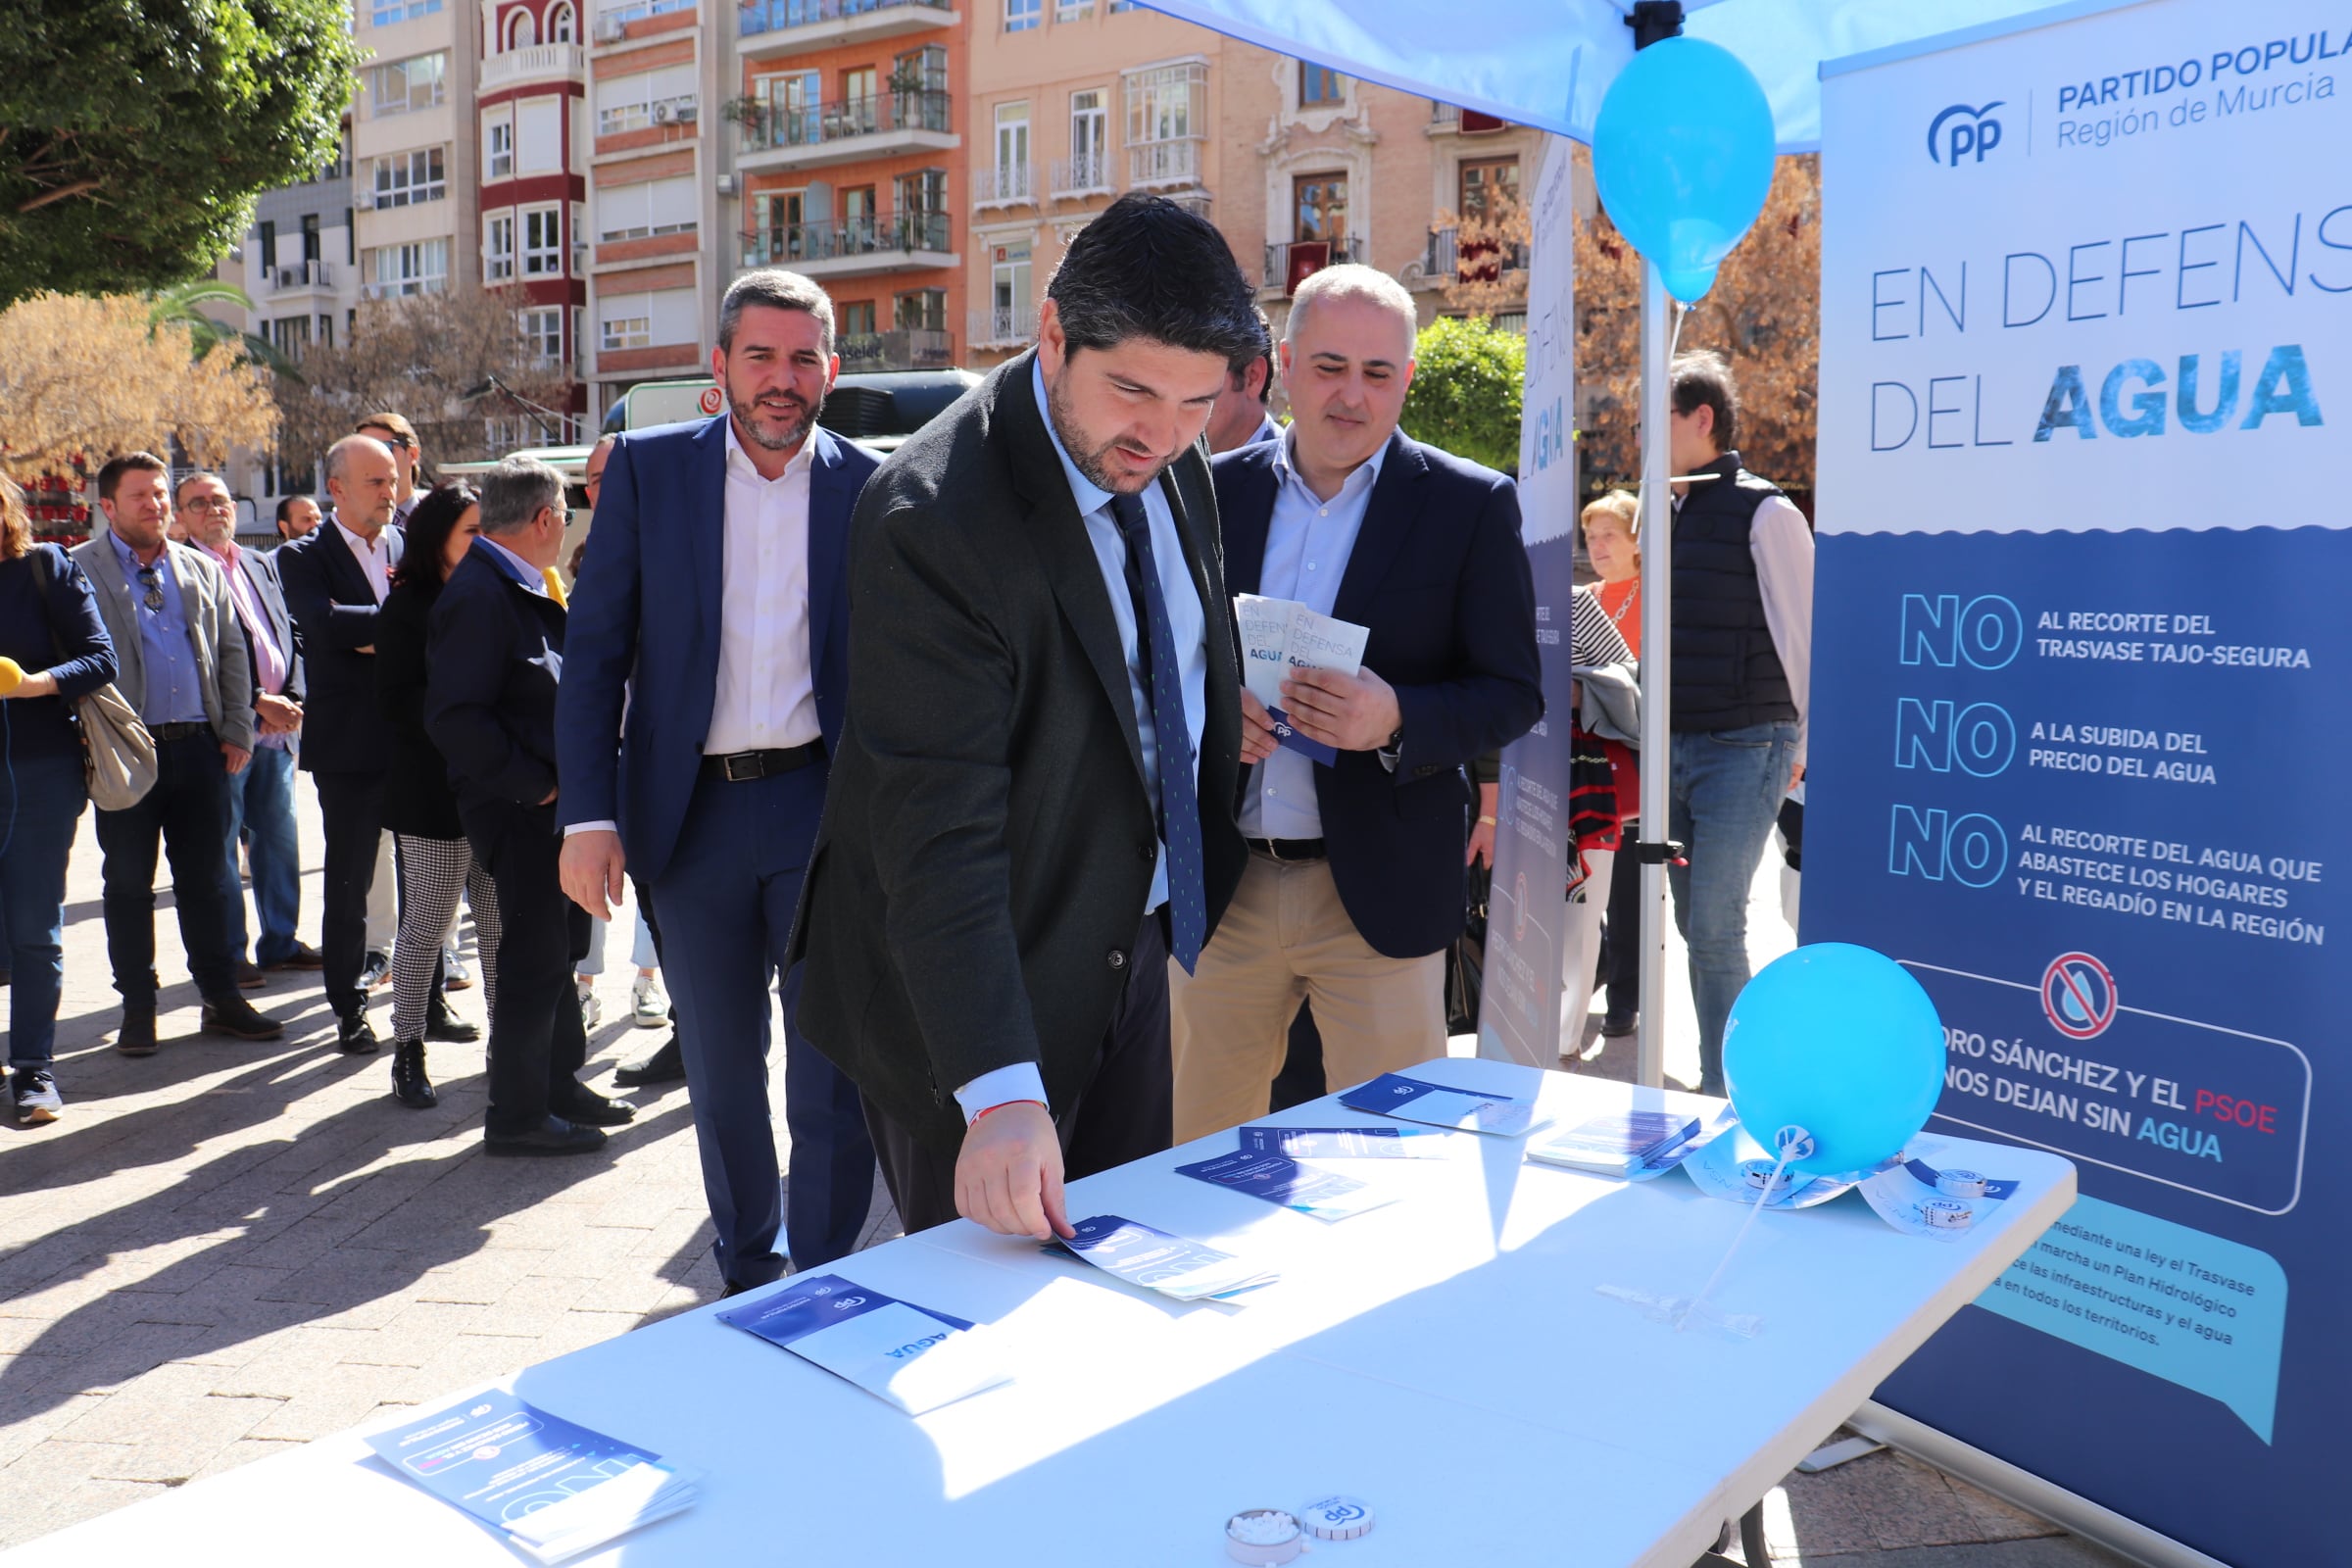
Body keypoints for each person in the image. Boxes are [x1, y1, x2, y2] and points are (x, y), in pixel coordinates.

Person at [789, 193, 1258, 1241]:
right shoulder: (934, 519)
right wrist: (1000, 1093)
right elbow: (935, 826)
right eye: (1133, 391)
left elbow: (1154, 654)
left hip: (1132, 944)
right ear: (1052, 332)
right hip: (967, 986)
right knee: (990, 1330)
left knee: (1118, 1288)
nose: (1164, 434)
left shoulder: (1173, 452)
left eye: (1197, 405)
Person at [1169, 263, 1543, 1143]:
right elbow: (1159, 659)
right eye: (1331, 367)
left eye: (1378, 373)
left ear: (1407, 378)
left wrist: (1399, 717)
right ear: (1283, 364)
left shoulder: (1470, 506)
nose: (1352, 395)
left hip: (1377, 892)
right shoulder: (1209, 492)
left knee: (1398, 1159)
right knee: (1194, 1147)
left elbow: (1512, 694)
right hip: (1226, 886)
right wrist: (1215, 707)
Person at [558, 269, 878, 1285]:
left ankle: (827, 1277)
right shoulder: (653, 474)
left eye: (801, 359)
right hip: (687, 819)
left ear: (830, 368)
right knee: (724, 1070)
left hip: (823, 815)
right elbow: (595, 651)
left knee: (833, 1067)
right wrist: (586, 816)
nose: (781, 380)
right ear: (721, 366)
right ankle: (748, 1265)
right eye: (761, 356)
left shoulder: (874, 488)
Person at [431, 458, 631, 1155]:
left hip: (550, 806)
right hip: (522, 810)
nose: (567, 526)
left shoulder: (510, 582)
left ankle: (557, 1084)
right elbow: (455, 719)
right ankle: (517, 1113)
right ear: (544, 518)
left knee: (562, 947)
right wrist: (539, 786)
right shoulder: (481, 594)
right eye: (565, 514)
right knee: (535, 955)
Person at [73, 454, 284, 1053]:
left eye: (161, 494)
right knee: (129, 884)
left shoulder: (199, 568)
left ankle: (220, 997)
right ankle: (138, 1007)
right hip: (125, 754)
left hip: (199, 750)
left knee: (211, 880)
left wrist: (239, 729)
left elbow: (233, 653)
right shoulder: (77, 570)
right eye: (140, 496)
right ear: (108, 507)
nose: (155, 505)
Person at [1663, 349, 1812, 1096]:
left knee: (1715, 928)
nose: (1638, 436)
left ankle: (1729, 1092)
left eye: (1653, 418)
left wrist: (1802, 745)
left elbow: (1804, 632)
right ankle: (1734, 1072)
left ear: (1702, 419)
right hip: (1677, 748)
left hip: (1747, 745)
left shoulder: (1767, 510)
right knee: (1696, 925)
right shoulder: (1664, 510)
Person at [277, 434, 406, 1054]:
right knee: (350, 882)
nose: (392, 492)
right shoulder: (304, 555)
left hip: (415, 739)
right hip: (350, 746)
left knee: (427, 876)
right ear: (337, 488)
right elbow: (325, 629)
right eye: (377, 482)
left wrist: (378, 633)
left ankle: (423, 999)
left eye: (394, 480)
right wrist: (411, 628)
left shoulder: (406, 542)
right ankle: (349, 1008)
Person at [0, 472, 118, 1123]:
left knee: (32, 927)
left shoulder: (45, 566)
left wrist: (36, 685)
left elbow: (101, 659)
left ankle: (33, 1071)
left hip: (40, 777)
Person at [375, 484, 497, 1108]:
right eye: (472, 531)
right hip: (430, 790)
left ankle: (509, 1050)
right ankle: (408, 1049)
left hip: (497, 787)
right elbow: (398, 704)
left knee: (498, 924)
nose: (483, 541)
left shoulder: (495, 592)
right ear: (438, 538)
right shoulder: (405, 608)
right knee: (426, 923)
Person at [177, 471, 324, 978]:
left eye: (221, 500)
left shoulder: (261, 563)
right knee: (222, 851)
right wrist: (260, 701)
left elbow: (292, 634)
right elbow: (195, 657)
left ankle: (280, 942)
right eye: (198, 504)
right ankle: (231, 955)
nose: (213, 509)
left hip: (279, 735)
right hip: (227, 735)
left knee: (279, 842)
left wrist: (294, 696)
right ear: (182, 517)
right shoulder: (181, 570)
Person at [1582, 489, 1645, 1039]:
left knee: (1628, 887)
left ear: (1636, 542)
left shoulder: (1660, 596)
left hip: (1637, 760)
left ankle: (1625, 997)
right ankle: (1597, 971)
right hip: (1584, 758)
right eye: (1591, 536)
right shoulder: (1584, 598)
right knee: (1582, 883)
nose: (1598, 546)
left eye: (1609, 535)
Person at [1205, 306, 1280, 455]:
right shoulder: (1170, 469)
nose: (1185, 396)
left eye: (1200, 375)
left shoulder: (1293, 475)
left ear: (1253, 376)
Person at [357, 412, 425, 527]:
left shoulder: (440, 520)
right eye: (362, 451)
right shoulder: (349, 526)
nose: (372, 459)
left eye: (384, 448)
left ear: (412, 454)